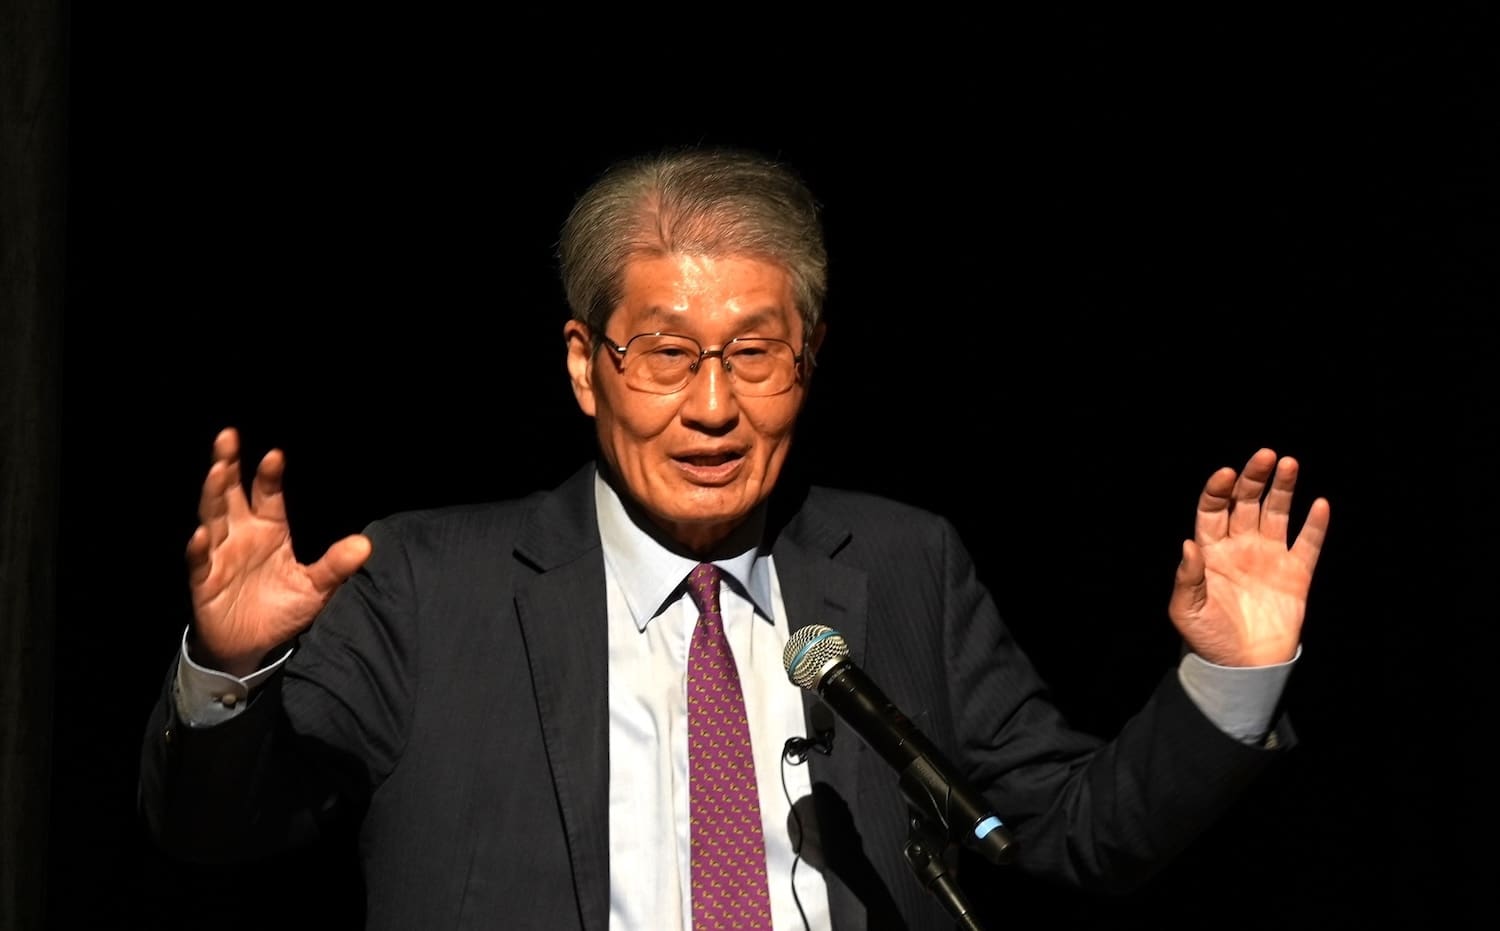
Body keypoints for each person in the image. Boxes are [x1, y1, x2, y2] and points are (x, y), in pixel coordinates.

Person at [139, 145, 1331, 931]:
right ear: (584, 365)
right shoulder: (425, 582)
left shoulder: (907, 564)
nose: (713, 406)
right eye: (666, 352)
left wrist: (1227, 680)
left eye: (754, 353)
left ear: (806, 363)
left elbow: (1062, 835)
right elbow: (217, 831)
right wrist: (230, 671)